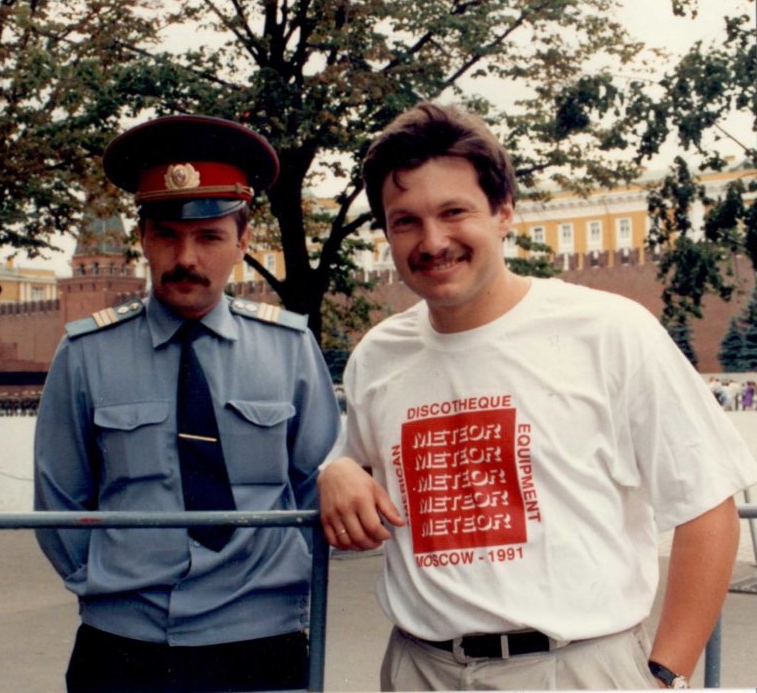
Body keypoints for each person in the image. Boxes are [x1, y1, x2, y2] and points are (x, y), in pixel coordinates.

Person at [317, 102, 757, 691]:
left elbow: (707, 506)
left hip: (575, 669)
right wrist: (338, 468)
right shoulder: (379, 355)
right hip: (420, 668)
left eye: (455, 212)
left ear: (503, 213)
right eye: (406, 221)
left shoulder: (607, 331)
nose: (433, 240)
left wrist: (662, 674)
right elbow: (362, 470)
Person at [34, 114, 340, 693]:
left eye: (209, 237)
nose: (186, 258)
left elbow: (312, 484)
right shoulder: (85, 355)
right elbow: (59, 499)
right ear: (144, 237)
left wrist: (279, 585)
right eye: (168, 235)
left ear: (244, 240)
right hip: (123, 643)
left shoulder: (289, 350)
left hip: (259, 640)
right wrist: (107, 583)